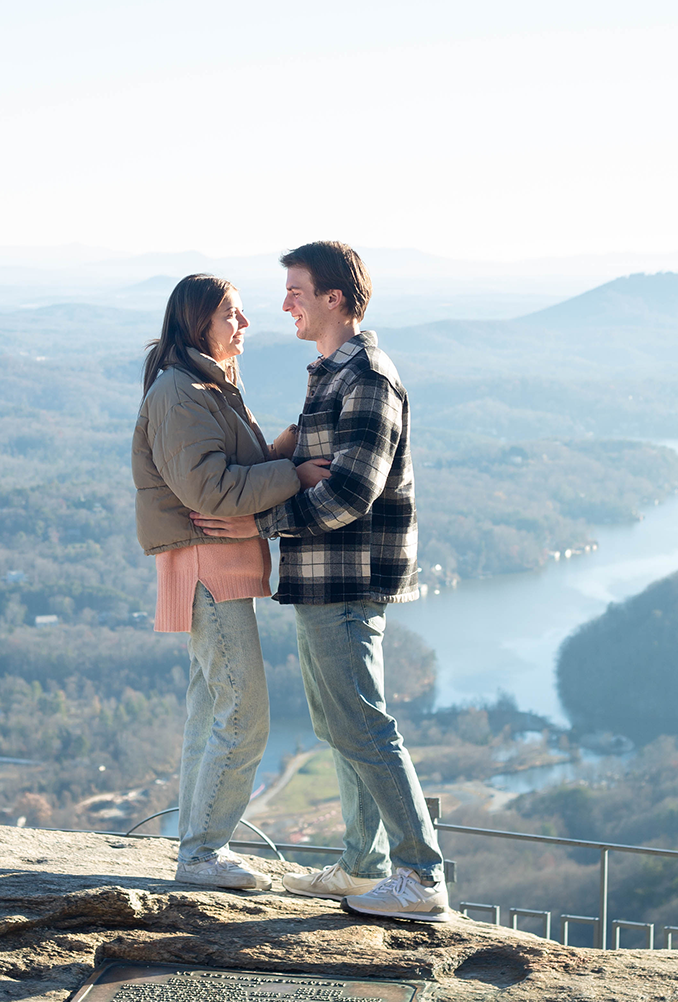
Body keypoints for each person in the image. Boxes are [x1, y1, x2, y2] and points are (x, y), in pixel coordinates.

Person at [192, 241, 449, 922]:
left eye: (297, 291)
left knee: (362, 723)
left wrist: (260, 520)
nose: (285, 305)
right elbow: (306, 456)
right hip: (323, 579)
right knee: (340, 724)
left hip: (346, 578)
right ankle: (363, 867)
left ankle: (421, 876)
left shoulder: (366, 376)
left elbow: (349, 494)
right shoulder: (330, 375)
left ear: (335, 297)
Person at [133, 273, 333, 890]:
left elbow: (230, 472)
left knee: (212, 710)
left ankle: (197, 847)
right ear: (198, 323)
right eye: (232, 316)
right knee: (243, 711)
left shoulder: (209, 386)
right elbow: (212, 491)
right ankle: (202, 856)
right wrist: (295, 476)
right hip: (206, 567)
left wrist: (278, 452)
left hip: (214, 564)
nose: (244, 325)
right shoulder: (181, 392)